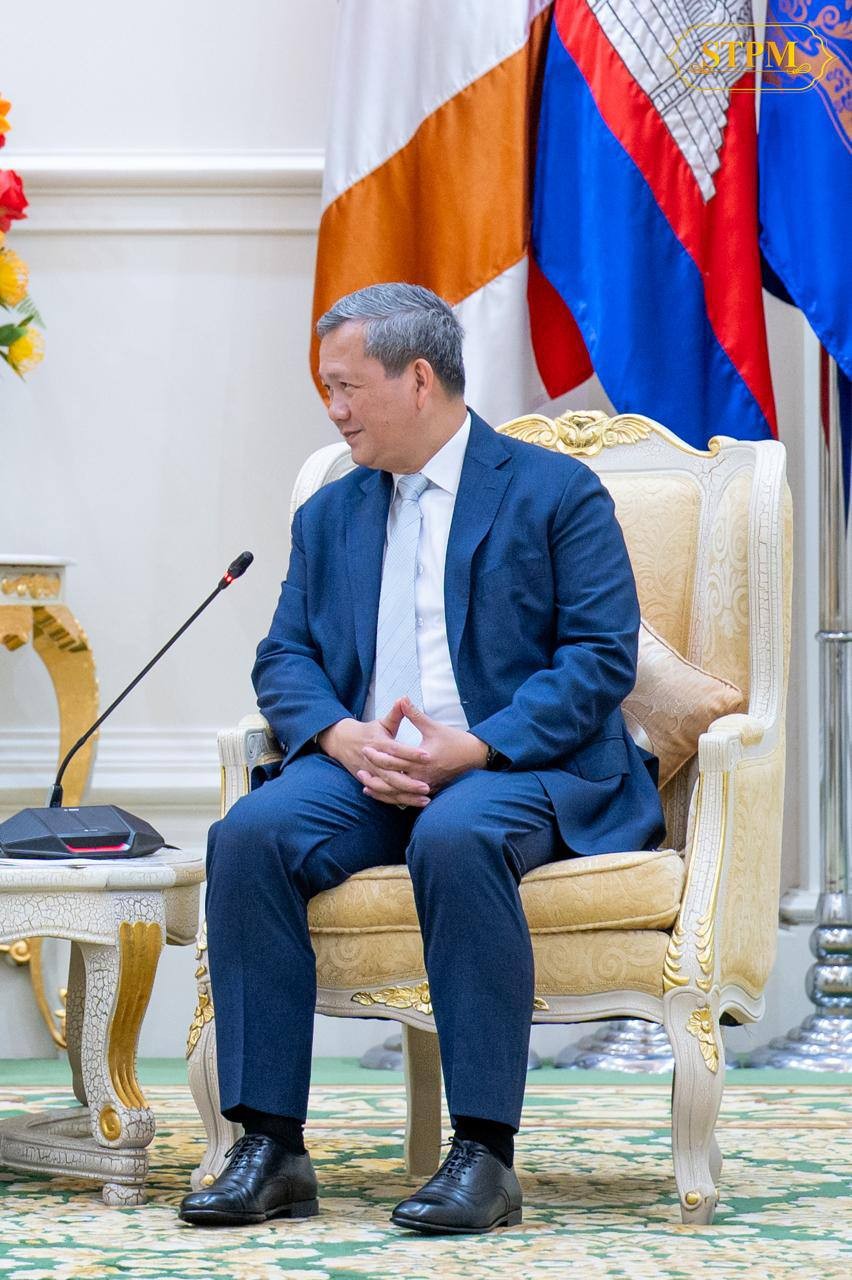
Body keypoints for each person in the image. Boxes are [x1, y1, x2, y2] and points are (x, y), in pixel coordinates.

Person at [179, 283, 665, 1233]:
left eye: (347, 386)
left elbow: (600, 657)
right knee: (250, 835)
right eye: (326, 389)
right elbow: (284, 656)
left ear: (418, 378)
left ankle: (485, 1154)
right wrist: (339, 734)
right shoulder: (332, 512)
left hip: (517, 765)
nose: (334, 408)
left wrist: (477, 746)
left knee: (456, 834)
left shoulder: (555, 492)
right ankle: (271, 1146)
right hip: (365, 770)